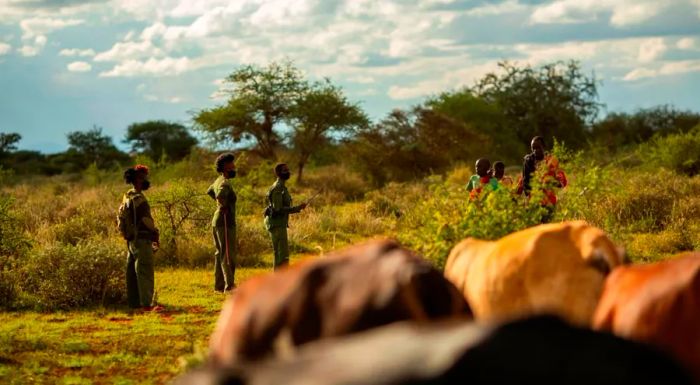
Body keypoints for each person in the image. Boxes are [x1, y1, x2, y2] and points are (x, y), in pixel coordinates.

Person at [121, 165, 159, 309]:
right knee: (145, 272)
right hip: (142, 239)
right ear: (137, 180)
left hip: (131, 240)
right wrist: (155, 232)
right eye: (143, 178)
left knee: (131, 273)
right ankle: (147, 304)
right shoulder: (140, 200)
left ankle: (134, 304)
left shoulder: (127, 196)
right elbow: (146, 221)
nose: (146, 181)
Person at [264, 163, 307, 270]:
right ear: (278, 173)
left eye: (288, 170)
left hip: (280, 223)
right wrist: (297, 208)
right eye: (284, 170)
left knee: (280, 253)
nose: (288, 172)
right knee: (281, 254)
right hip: (276, 224)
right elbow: (278, 209)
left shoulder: (282, 186)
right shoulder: (278, 188)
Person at [207, 153, 237, 292]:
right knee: (227, 254)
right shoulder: (224, 182)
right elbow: (219, 196)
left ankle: (218, 286)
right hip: (225, 220)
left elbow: (210, 191)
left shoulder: (217, 180)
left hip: (217, 221)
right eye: (231, 164)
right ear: (225, 167)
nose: (234, 167)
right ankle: (229, 285)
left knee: (220, 253)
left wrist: (219, 205)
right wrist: (223, 206)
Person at [517, 136, 568, 218]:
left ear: (544, 147)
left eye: (538, 147)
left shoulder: (552, 160)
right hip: (533, 202)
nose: (535, 150)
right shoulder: (528, 161)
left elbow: (562, 182)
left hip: (549, 202)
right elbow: (525, 182)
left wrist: (551, 181)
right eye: (533, 148)